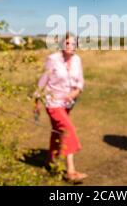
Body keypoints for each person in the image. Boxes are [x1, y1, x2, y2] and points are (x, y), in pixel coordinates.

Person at [35, 32, 87, 183]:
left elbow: (80, 80)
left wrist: (75, 92)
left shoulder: (77, 59)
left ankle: (49, 160)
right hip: (52, 102)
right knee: (67, 130)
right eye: (68, 43)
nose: (71, 46)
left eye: (74, 44)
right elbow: (44, 78)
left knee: (57, 131)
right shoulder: (53, 59)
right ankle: (70, 171)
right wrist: (36, 99)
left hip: (68, 104)